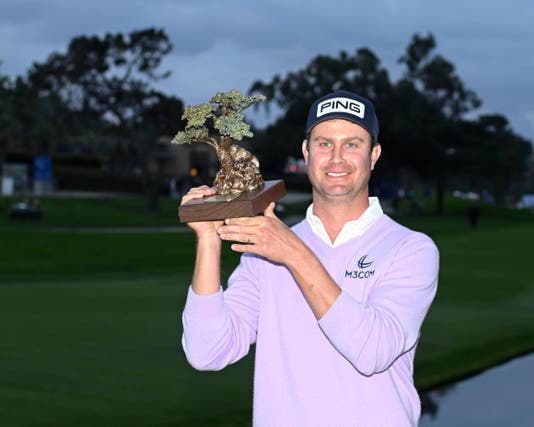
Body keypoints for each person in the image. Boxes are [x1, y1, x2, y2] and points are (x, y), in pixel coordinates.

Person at [180, 90, 439, 426]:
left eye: (352, 144)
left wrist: (293, 253)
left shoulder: (410, 249)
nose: (337, 158)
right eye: (324, 143)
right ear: (306, 152)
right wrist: (209, 240)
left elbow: (372, 351)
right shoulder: (266, 251)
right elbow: (207, 351)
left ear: (373, 155)